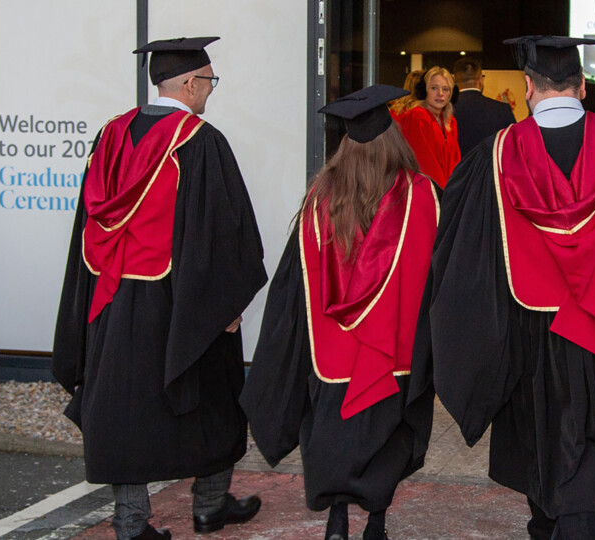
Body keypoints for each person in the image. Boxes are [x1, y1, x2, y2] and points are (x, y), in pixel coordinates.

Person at [416, 36, 595, 539]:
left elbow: (464, 261)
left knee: (543, 437)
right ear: (582, 86)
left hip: (533, 336)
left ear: (527, 87)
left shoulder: (494, 156)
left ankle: (549, 520)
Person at [52, 37, 267, 540]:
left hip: (111, 299)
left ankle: (131, 522)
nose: (210, 90)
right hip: (183, 301)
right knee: (214, 398)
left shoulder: (109, 134)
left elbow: (89, 221)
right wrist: (228, 303)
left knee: (122, 407)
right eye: (209, 81)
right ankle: (209, 506)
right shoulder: (200, 141)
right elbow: (224, 231)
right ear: (190, 83)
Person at [240, 84, 437, 540]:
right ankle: (376, 522)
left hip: (331, 355)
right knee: (388, 438)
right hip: (393, 354)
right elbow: (436, 276)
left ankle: (336, 521)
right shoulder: (421, 195)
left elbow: (294, 284)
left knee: (332, 434)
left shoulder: (319, 200)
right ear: (394, 139)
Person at [399, 66, 461, 188]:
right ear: (424, 91)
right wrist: (443, 193)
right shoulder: (417, 116)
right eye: (434, 88)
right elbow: (425, 163)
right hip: (425, 190)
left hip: (447, 191)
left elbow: (455, 161)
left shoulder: (450, 122)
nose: (440, 94)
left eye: (445, 89)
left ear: (451, 94)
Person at [452, 57, 516, 155]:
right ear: (480, 80)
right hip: (491, 164)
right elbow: (514, 146)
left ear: (454, 80)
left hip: (458, 164)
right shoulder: (502, 110)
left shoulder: (446, 111)